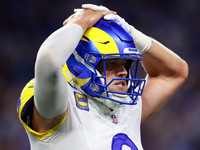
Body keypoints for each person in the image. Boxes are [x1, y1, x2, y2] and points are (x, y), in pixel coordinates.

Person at [17, 4, 188, 150]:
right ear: (82, 63)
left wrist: (128, 31)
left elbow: (175, 71)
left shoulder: (124, 105)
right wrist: (80, 22)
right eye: (111, 64)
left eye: (126, 64)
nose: (123, 72)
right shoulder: (62, 105)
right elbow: (49, 60)